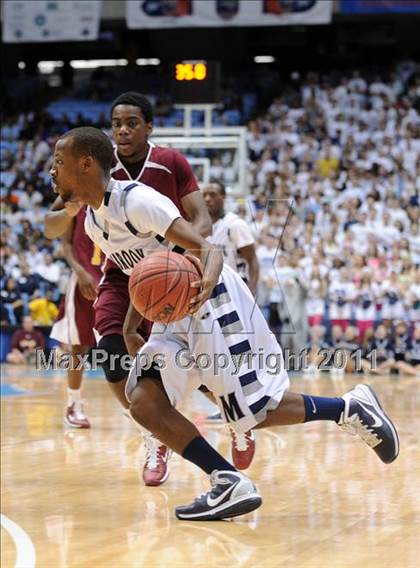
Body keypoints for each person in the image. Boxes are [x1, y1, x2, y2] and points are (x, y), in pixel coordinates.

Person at [50, 126, 399, 521]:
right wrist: (132, 324)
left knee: (251, 411)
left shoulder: (137, 201)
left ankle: (349, 408)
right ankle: (228, 481)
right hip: (172, 315)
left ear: (86, 164)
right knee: (145, 404)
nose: (52, 171)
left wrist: (205, 289)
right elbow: (146, 276)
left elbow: (207, 248)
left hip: (211, 299)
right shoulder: (96, 223)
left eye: (59, 162)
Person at [45, 91, 213, 485]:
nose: (122, 129)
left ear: (148, 127)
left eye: (132, 122)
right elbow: (54, 224)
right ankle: (153, 436)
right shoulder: (91, 164)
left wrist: (180, 259)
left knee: (198, 366)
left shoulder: (169, 162)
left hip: (170, 268)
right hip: (120, 274)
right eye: (117, 123)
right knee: (112, 356)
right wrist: (64, 210)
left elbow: (201, 220)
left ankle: (239, 416)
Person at [202, 180, 259, 464]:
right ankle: (233, 409)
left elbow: (253, 260)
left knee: (238, 359)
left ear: (223, 197)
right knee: (214, 359)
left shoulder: (234, 224)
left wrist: (253, 295)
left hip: (235, 296)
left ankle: (246, 410)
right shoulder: (197, 225)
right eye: (204, 195)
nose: (208, 198)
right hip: (209, 299)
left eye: (213, 194)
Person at [48, 206, 104, 428]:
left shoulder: (119, 196)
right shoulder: (76, 200)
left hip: (114, 278)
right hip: (84, 278)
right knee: (78, 347)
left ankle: (136, 404)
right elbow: (66, 243)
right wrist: (80, 272)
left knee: (128, 341)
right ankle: (74, 404)